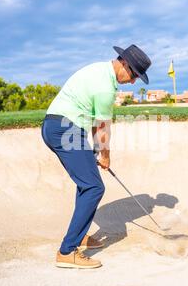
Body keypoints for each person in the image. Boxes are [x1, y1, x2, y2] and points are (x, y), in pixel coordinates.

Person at [41, 44, 152, 269]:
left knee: (85, 184)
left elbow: (93, 123)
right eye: (134, 75)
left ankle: (78, 236)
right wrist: (106, 157)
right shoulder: (105, 88)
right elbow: (102, 129)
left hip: (56, 126)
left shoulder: (98, 70)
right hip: (66, 129)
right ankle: (67, 252)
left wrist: (96, 151)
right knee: (94, 188)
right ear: (124, 63)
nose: (132, 82)